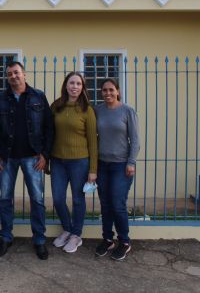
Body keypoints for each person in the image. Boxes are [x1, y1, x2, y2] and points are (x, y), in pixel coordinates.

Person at [0, 61, 54, 260]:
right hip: (7, 158)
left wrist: (45, 154)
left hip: (33, 157)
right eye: (9, 74)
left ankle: (39, 240)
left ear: (24, 74)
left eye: (16, 72)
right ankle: (6, 237)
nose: (13, 76)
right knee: (5, 199)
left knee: (37, 199)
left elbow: (49, 128)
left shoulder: (38, 96)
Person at [50, 71, 97, 254]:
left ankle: (76, 235)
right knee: (58, 198)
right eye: (72, 83)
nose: (75, 87)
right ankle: (67, 229)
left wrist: (93, 170)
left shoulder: (87, 110)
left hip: (80, 162)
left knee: (78, 199)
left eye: (78, 84)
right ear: (66, 85)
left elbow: (93, 141)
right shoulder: (56, 106)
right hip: (58, 161)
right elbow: (49, 133)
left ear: (83, 88)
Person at [94, 78, 140, 261]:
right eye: (104, 90)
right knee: (105, 204)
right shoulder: (97, 110)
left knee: (117, 204)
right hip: (102, 164)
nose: (108, 93)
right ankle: (107, 238)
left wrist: (131, 162)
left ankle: (125, 241)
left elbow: (135, 140)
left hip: (121, 165)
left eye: (111, 90)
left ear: (118, 91)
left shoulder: (127, 111)